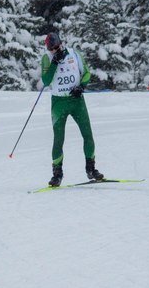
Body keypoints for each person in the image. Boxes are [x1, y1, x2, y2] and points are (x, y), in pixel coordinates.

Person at [40, 31, 104, 187]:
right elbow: (46, 81)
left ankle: (91, 169)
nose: (53, 51)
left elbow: (86, 73)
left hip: (76, 101)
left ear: (60, 44)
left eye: (55, 48)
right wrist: (55, 62)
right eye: (50, 49)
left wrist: (81, 86)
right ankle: (57, 174)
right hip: (58, 103)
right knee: (58, 139)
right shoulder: (47, 58)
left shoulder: (74, 54)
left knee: (87, 134)